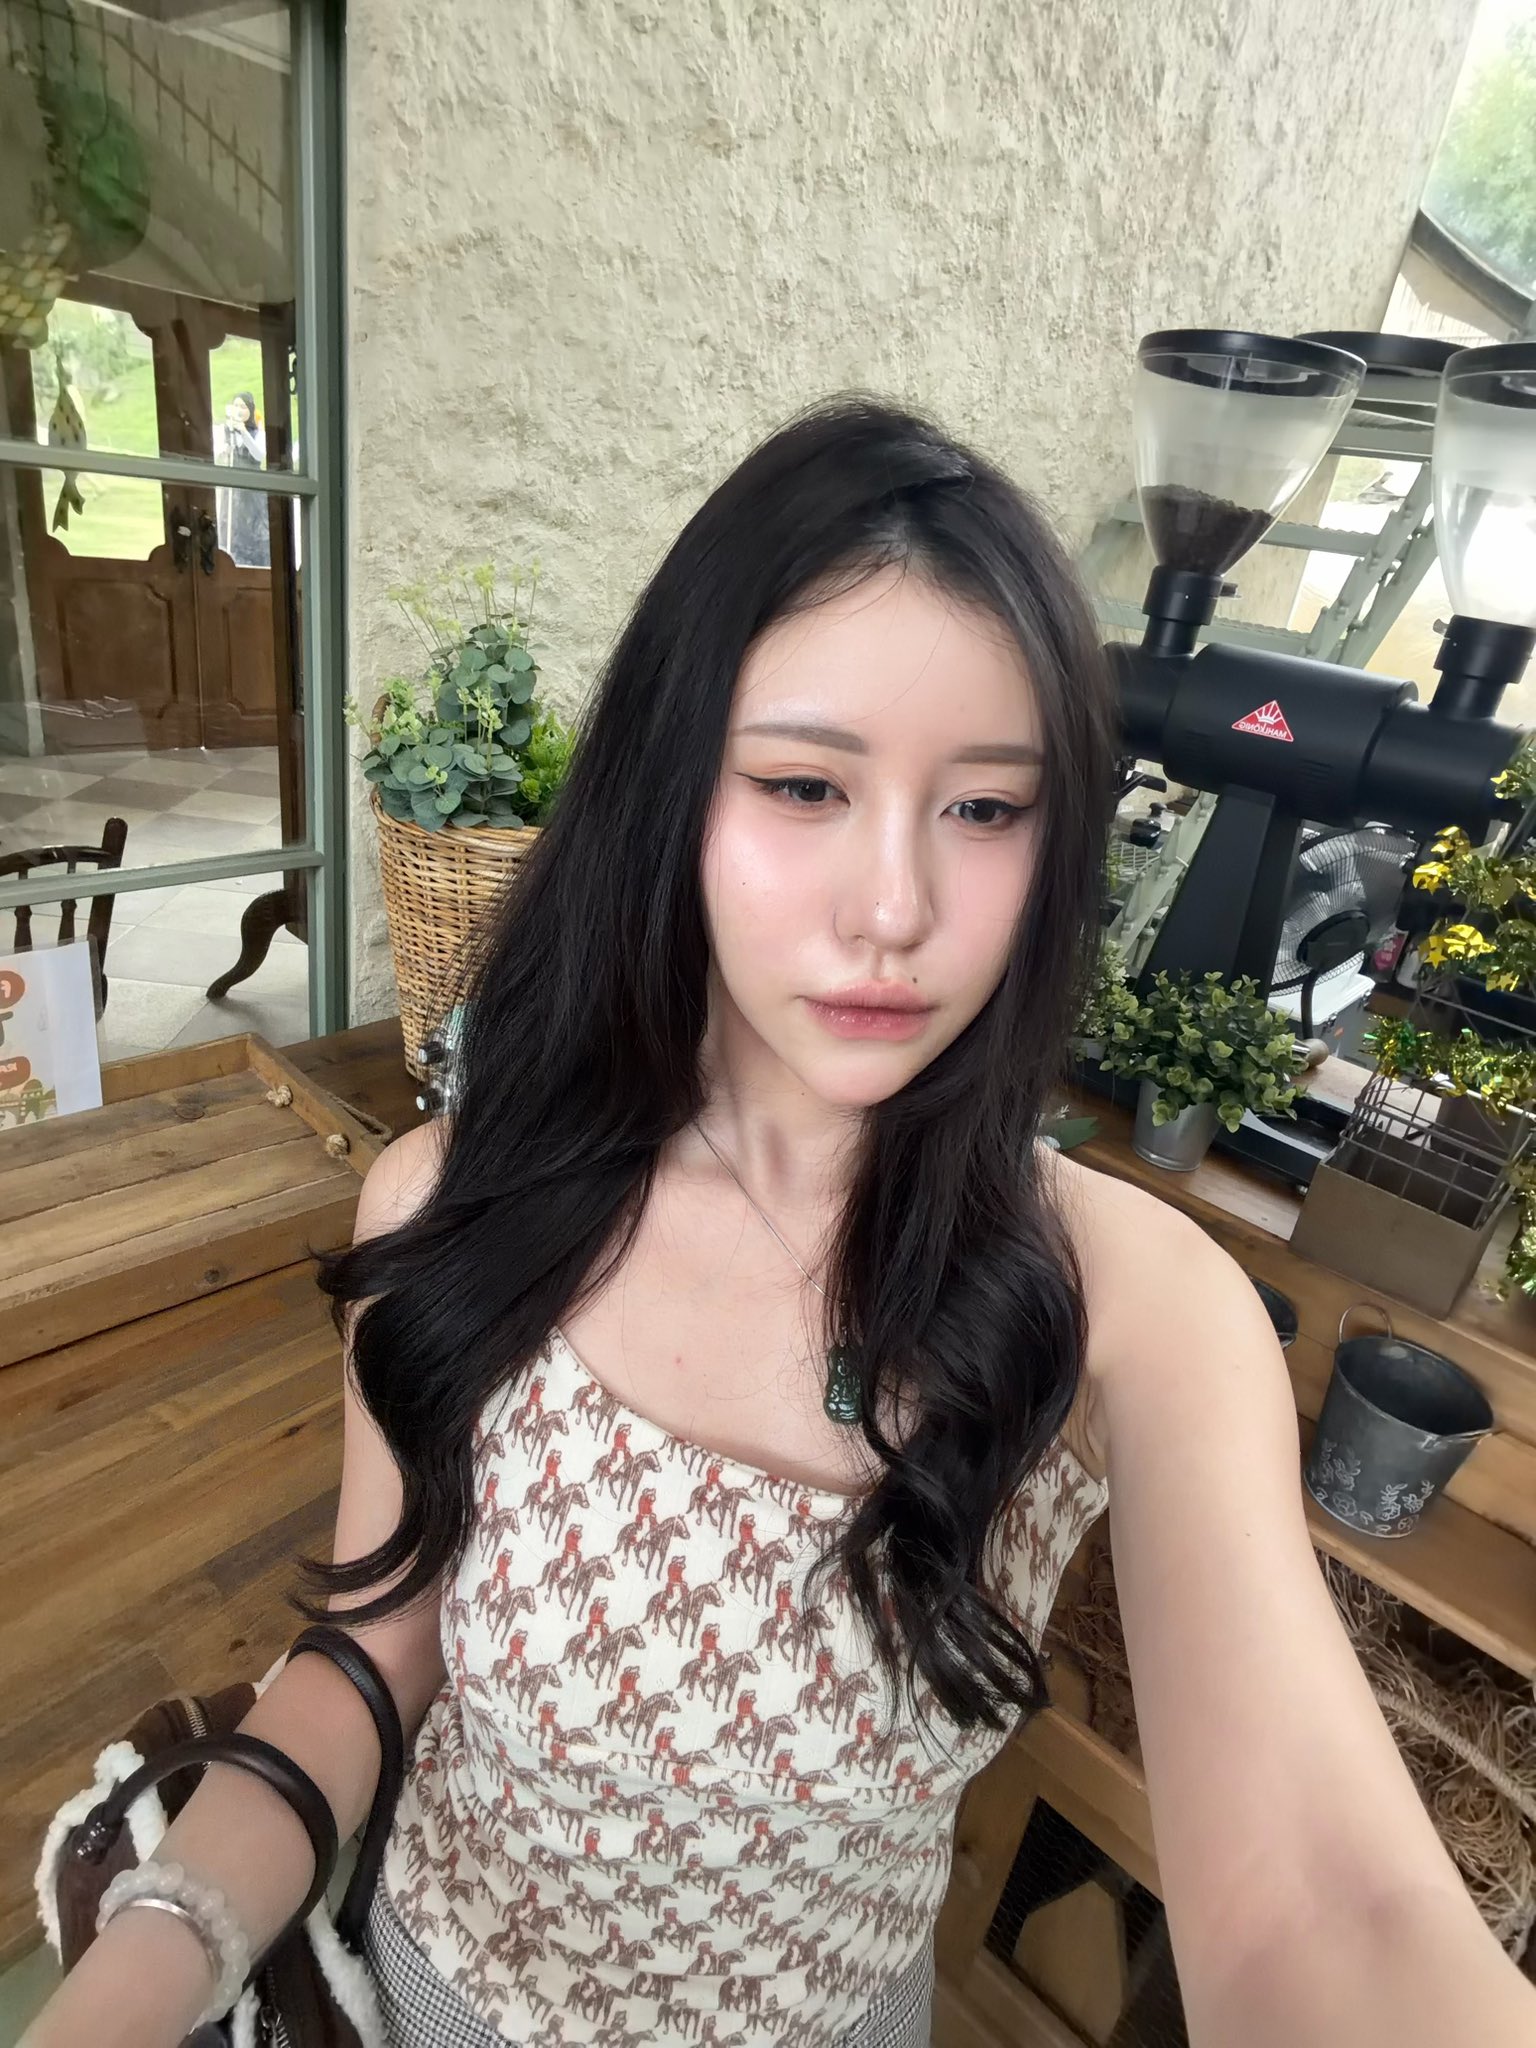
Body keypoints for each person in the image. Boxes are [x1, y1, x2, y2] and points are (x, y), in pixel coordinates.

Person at [27, 398, 1536, 2048]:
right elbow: (367, 1660)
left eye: (985, 808)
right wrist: (142, 1969)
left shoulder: (1126, 1303)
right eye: (806, 784)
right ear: (670, 792)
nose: (895, 907)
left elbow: (1329, 1908)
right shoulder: (458, 1204)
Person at [214, 390, 271, 568]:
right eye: (236, 406)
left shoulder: (257, 433)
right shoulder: (227, 431)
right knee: (231, 522)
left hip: (251, 489)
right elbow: (218, 454)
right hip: (233, 489)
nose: (239, 410)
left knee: (252, 524)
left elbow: (258, 454)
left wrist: (244, 432)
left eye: (243, 406)